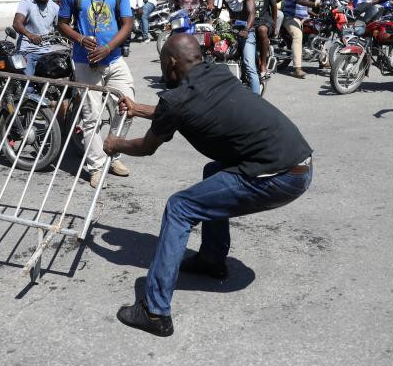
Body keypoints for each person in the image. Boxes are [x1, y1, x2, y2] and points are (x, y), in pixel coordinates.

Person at [104, 33, 313, 337]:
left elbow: (147, 146)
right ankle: (212, 259)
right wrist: (139, 109)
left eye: (164, 63)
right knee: (213, 170)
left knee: (180, 207)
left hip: (278, 176)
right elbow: (181, 110)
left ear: (171, 63)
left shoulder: (178, 98)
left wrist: (115, 144)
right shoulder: (217, 72)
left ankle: (155, 312)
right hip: (299, 162)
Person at [57, 0, 134, 189]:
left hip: (113, 59)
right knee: (91, 118)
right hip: (85, 62)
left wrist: (108, 48)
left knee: (127, 108)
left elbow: (127, 24)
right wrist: (80, 38)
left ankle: (113, 154)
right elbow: (62, 23)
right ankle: (97, 166)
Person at [213, 0, 256, 89]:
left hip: (246, 30)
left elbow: (252, 13)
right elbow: (217, 8)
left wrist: (247, 30)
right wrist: (212, 20)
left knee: (249, 66)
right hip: (231, 29)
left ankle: (257, 99)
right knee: (218, 54)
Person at [12, 0, 60, 75]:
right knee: (28, 85)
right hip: (26, 51)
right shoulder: (26, 3)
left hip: (46, 52)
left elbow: (62, 26)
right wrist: (30, 35)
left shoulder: (55, 7)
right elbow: (17, 23)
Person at [282, 0, 321, 78]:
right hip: (290, 17)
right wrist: (314, 4)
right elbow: (298, 0)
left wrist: (317, 14)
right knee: (298, 36)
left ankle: (324, 60)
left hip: (303, 18)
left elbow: (306, 8)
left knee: (318, 30)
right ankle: (297, 68)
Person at [243, 0, 277, 86]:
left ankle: (263, 65)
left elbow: (274, 6)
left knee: (262, 30)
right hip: (251, 21)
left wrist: (275, 25)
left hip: (265, 20)